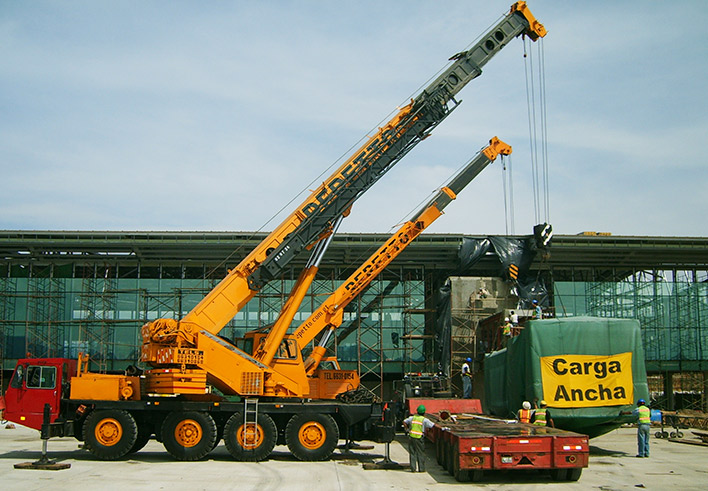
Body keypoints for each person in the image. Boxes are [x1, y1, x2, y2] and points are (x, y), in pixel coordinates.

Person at [403, 405, 435, 472]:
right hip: (419, 438)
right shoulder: (424, 420)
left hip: (411, 437)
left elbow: (404, 421)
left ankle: (413, 469)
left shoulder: (412, 418)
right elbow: (432, 425)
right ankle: (421, 469)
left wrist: (407, 429)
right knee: (420, 453)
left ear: (417, 411)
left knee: (412, 453)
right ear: (424, 412)